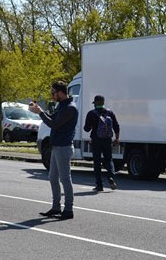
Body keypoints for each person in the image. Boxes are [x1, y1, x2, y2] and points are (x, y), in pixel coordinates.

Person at [29, 81, 77, 220]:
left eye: (53, 93)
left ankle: (68, 209)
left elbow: (54, 124)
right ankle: (56, 207)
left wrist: (40, 113)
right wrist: (40, 110)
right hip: (57, 147)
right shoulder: (62, 105)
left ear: (61, 92)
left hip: (64, 147)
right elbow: (52, 119)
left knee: (65, 179)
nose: (52, 95)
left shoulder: (70, 108)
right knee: (52, 177)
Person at [83, 95, 120, 191]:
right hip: (107, 140)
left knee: (97, 162)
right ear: (103, 103)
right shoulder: (110, 113)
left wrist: (91, 125)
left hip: (96, 140)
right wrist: (117, 138)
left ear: (95, 103)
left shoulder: (91, 113)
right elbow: (116, 126)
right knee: (109, 159)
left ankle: (99, 185)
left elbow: (86, 129)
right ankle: (111, 177)